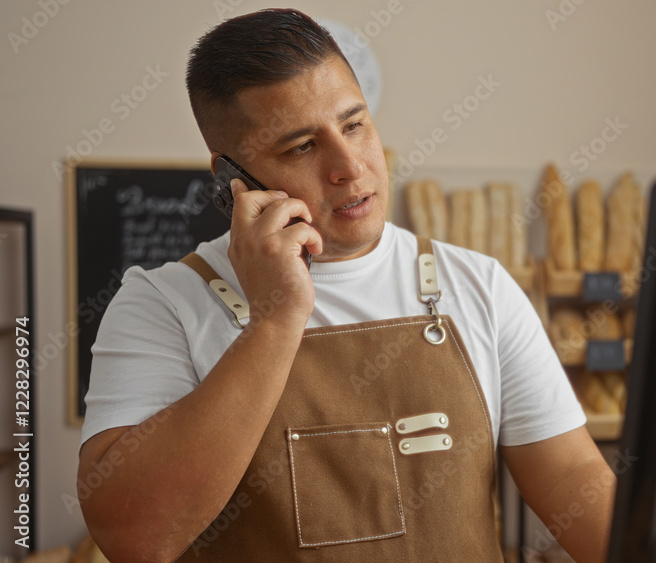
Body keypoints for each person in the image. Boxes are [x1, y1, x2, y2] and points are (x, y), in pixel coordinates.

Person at [77, 8, 615, 562]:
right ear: (232, 177)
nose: (350, 167)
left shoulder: (478, 284)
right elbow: (133, 537)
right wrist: (277, 318)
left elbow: (572, 476)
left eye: (354, 125)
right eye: (303, 147)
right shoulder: (162, 304)